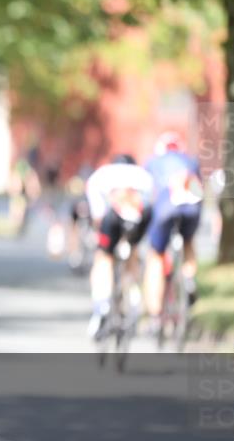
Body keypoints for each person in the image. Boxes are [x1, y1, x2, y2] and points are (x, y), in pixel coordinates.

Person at [84, 154, 154, 339]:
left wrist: (100, 236)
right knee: (134, 251)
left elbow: (98, 214)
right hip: (140, 217)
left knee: (103, 258)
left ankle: (102, 305)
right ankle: (134, 296)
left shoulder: (102, 175)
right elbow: (149, 203)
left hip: (114, 216)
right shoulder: (143, 174)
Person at [143, 132, 204, 325]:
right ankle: (189, 278)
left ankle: (154, 313)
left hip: (166, 207)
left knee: (156, 255)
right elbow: (199, 189)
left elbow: (147, 194)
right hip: (192, 207)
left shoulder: (153, 162)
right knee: (188, 242)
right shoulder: (191, 161)